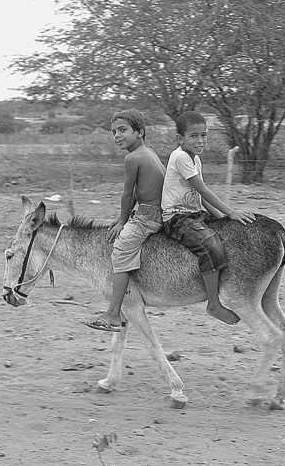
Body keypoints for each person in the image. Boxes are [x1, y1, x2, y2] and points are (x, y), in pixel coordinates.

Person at [162, 111, 256, 325]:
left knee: (227, 233)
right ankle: (213, 303)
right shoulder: (180, 157)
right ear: (180, 139)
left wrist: (221, 218)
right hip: (177, 217)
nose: (200, 141)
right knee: (210, 245)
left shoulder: (196, 160)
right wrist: (231, 212)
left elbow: (198, 196)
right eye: (193, 136)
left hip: (194, 212)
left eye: (204, 135)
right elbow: (202, 190)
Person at [85, 109, 166, 332]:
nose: (117, 136)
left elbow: (127, 194)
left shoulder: (133, 157)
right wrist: (122, 217)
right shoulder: (148, 153)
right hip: (152, 211)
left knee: (119, 253)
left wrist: (122, 222)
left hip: (148, 217)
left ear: (139, 132)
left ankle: (112, 314)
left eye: (123, 130)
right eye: (113, 132)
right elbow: (138, 194)